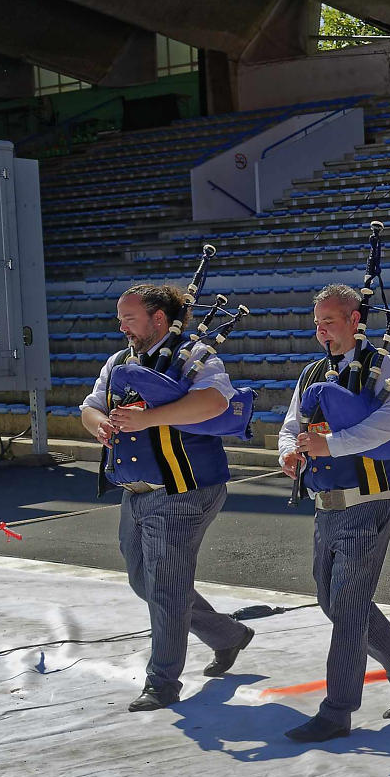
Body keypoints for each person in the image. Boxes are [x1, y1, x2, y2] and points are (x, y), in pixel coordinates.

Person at [80, 283, 253, 712]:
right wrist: (100, 424)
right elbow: (89, 406)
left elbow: (215, 403)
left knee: (167, 590)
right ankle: (228, 635)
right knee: (146, 582)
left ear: (159, 318)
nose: (121, 326)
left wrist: (149, 418)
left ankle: (162, 682)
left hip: (185, 490)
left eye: (129, 318)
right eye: (121, 318)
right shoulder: (119, 360)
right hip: (136, 493)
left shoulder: (195, 358)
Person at [278, 285, 390, 744]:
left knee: (346, 610)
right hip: (326, 503)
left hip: (368, 500)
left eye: (330, 320)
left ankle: (338, 709)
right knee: (333, 601)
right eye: (317, 321)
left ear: (354, 320)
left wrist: (334, 445)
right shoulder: (311, 373)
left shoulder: (383, 368)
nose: (321, 329)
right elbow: (291, 425)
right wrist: (289, 452)